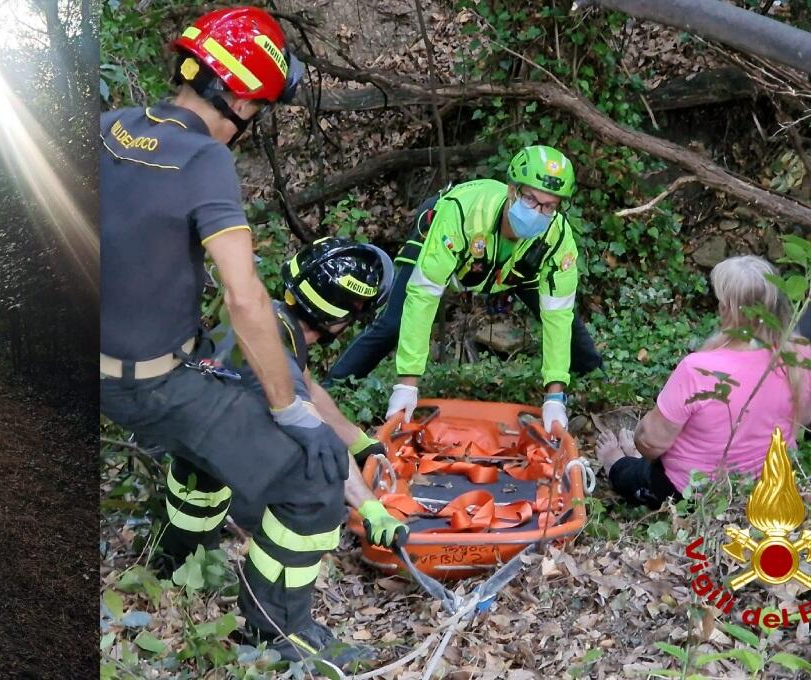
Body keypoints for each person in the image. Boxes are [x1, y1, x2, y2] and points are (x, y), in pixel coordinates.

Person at [99, 8, 367, 673]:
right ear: (242, 98)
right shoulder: (204, 159)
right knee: (314, 481)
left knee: (212, 440)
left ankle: (175, 559)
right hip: (150, 384)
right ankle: (276, 635)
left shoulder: (107, 129)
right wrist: (291, 411)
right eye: (261, 105)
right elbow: (244, 299)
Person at [164, 238, 409, 567]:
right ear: (339, 317)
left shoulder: (273, 320)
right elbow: (319, 439)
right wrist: (371, 509)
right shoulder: (279, 367)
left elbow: (313, 393)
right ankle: (278, 594)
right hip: (232, 478)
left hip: (193, 456)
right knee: (318, 495)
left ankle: (180, 561)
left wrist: (362, 443)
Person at [326, 147, 602, 434]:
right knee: (394, 321)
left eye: (549, 206)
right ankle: (335, 387)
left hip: (514, 264)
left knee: (566, 326)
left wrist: (554, 396)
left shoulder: (556, 237)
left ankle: (596, 382)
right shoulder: (462, 213)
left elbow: (558, 315)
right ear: (512, 190)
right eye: (531, 199)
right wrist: (407, 384)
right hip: (444, 234)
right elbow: (423, 296)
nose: (538, 212)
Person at [595, 255, 811, 508]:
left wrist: (641, 443)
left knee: (632, 472)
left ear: (726, 309)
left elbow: (650, 443)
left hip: (694, 494)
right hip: (769, 484)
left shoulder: (699, 369)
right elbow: (803, 420)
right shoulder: (800, 354)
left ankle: (617, 463)